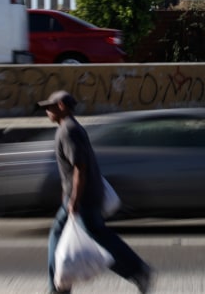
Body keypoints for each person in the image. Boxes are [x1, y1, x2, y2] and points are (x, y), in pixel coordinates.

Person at [38, 90, 153, 294]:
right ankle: (58, 288)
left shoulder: (68, 131)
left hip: (83, 198)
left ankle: (138, 270)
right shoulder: (71, 128)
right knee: (62, 235)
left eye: (50, 106)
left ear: (62, 106)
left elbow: (80, 167)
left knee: (99, 241)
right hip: (80, 196)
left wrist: (74, 199)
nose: (47, 110)